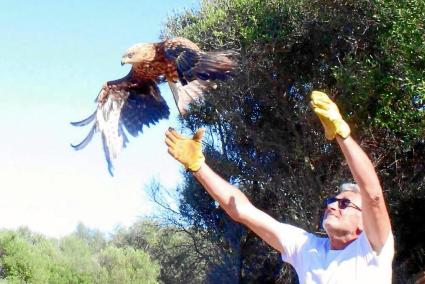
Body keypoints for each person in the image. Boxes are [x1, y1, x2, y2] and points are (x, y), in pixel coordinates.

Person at [164, 91, 394, 283]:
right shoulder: (306, 248)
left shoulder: (374, 248)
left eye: (344, 203)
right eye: (332, 200)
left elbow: (372, 195)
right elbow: (241, 210)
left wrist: (342, 134)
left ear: (364, 223)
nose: (333, 205)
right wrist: (198, 166)